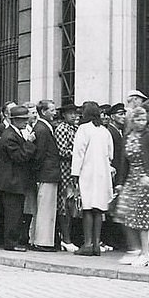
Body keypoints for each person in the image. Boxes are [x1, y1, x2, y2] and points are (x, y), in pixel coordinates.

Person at [114, 106, 149, 266]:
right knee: (122, 212)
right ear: (132, 120)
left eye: (143, 119)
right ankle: (134, 248)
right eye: (137, 119)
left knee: (143, 216)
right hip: (131, 178)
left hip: (146, 179)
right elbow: (124, 162)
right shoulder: (128, 136)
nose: (141, 122)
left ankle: (145, 253)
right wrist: (120, 183)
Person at [71, 102, 114, 256]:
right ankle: (96, 244)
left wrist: (75, 174)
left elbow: (78, 153)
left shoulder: (83, 129)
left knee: (87, 207)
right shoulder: (104, 131)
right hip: (102, 173)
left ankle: (88, 243)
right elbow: (111, 154)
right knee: (98, 208)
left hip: (87, 172)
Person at [0, 106, 37, 251]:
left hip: (14, 180)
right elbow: (20, 157)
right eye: (23, 120)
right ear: (15, 120)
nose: (26, 122)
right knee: (13, 213)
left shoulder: (14, 133)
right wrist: (30, 143)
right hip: (11, 181)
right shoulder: (10, 136)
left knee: (15, 212)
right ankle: (11, 243)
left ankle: (12, 241)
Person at [29, 100, 59, 251]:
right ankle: (42, 242)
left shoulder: (43, 127)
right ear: (43, 112)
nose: (54, 113)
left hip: (46, 173)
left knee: (44, 207)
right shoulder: (42, 129)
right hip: (46, 174)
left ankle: (39, 240)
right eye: (52, 110)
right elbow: (39, 154)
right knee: (46, 208)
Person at [54, 103, 80, 252]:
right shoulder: (62, 129)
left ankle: (70, 237)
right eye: (70, 113)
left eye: (75, 113)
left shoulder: (76, 129)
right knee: (64, 204)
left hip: (74, 171)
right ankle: (66, 238)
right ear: (64, 115)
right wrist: (78, 154)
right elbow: (62, 151)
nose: (74, 116)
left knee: (73, 205)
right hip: (65, 170)